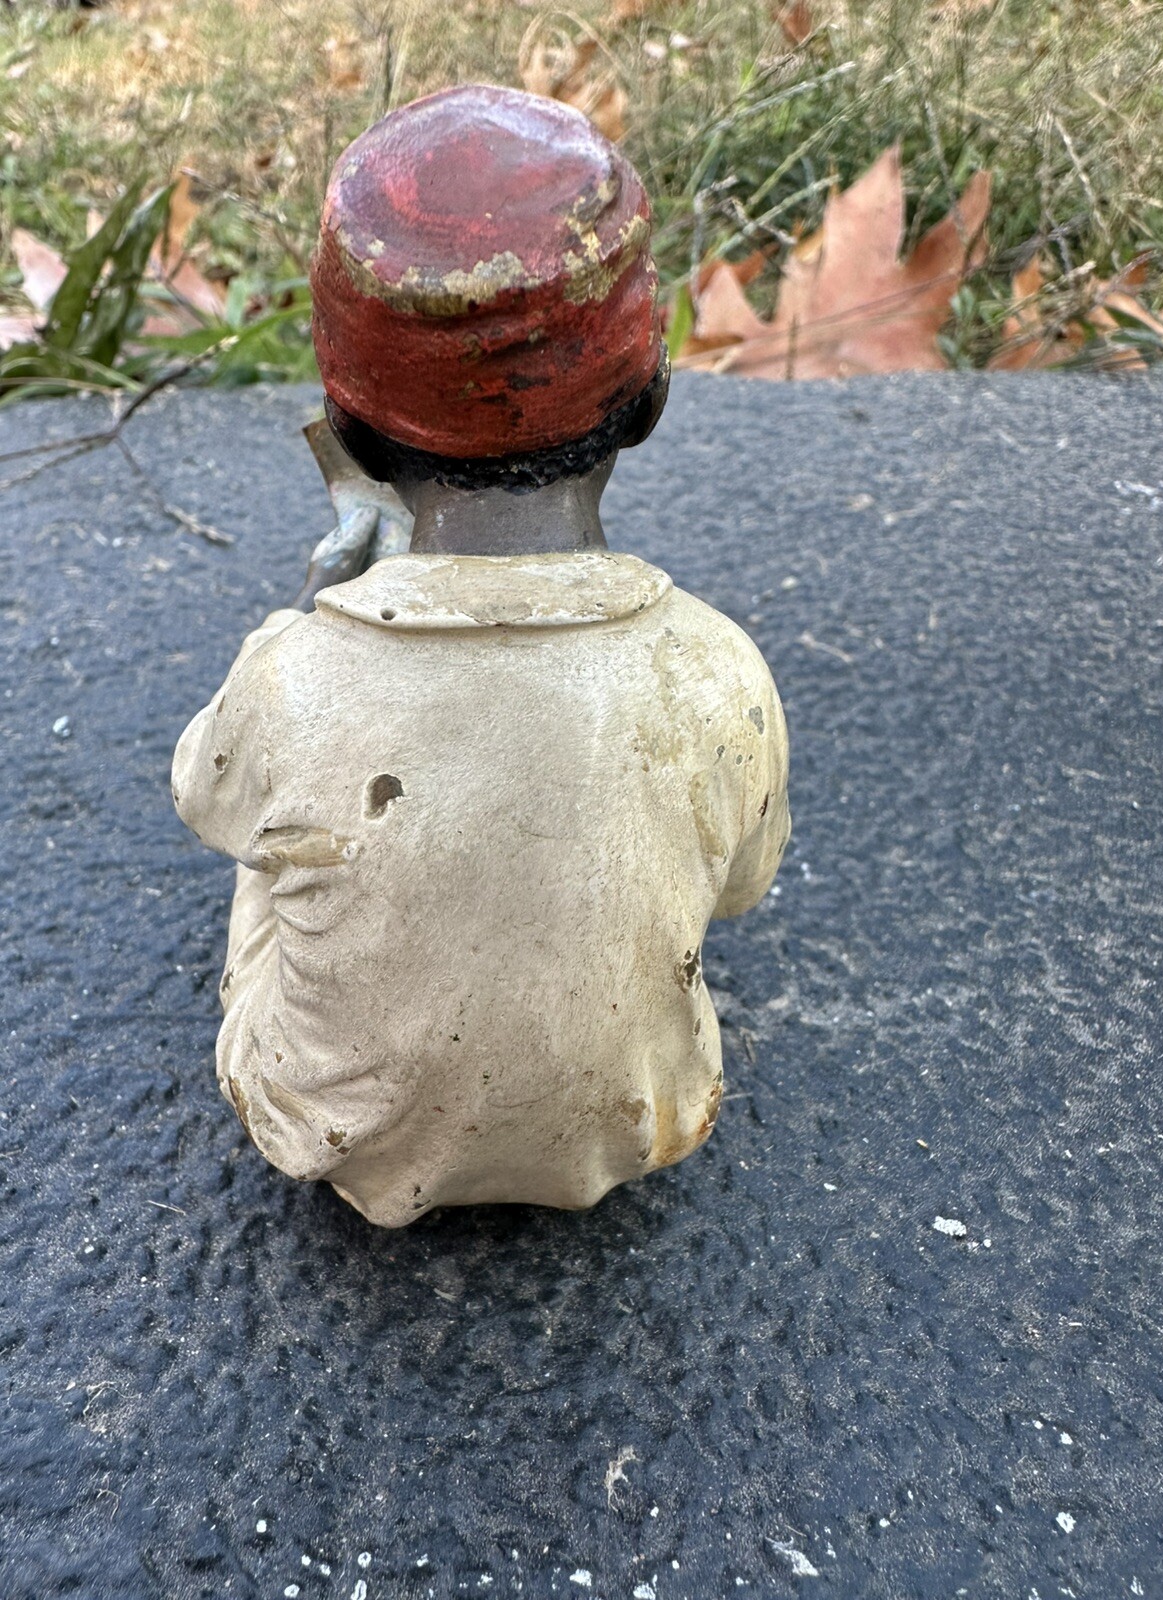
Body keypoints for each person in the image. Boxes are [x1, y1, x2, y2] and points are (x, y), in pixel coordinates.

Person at [172, 84, 790, 1227]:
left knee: (268, 842)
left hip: (329, 1130)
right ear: (648, 394)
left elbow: (202, 793)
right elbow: (739, 890)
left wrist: (315, 616)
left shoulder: (288, 677)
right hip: (642, 1120)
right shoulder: (720, 670)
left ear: (345, 426)